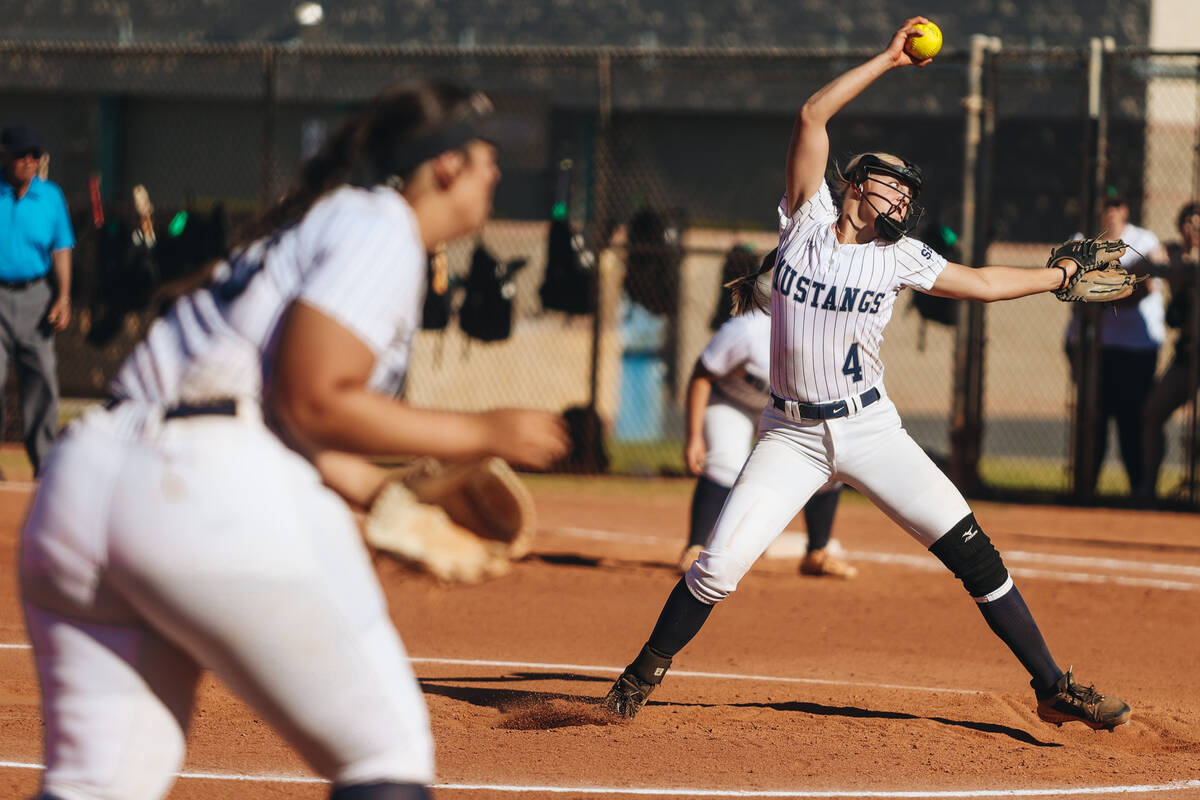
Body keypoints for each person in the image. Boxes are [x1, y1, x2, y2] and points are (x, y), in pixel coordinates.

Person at [19, 81, 569, 800]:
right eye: (485, 156)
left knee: (100, 782)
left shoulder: (330, 221)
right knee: (388, 752)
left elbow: (285, 410)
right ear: (444, 167)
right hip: (197, 485)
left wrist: (385, 492)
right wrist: (484, 431)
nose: (496, 172)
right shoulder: (383, 228)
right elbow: (313, 398)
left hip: (84, 481)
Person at [599, 18, 1131, 733]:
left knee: (972, 551)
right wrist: (887, 58)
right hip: (789, 435)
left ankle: (1052, 684)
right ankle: (635, 682)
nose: (903, 202)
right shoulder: (805, 221)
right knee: (716, 570)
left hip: (871, 429)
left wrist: (1058, 274)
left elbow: (979, 283)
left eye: (910, 197)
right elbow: (814, 115)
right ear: (853, 185)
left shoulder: (902, 255)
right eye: (892, 189)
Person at [678, 246, 854, 579]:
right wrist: (693, 438)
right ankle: (694, 547)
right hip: (730, 402)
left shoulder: (823, 331)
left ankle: (817, 552)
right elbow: (701, 375)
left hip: (781, 409)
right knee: (726, 462)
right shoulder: (748, 329)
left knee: (830, 459)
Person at [1064, 190, 1168, 494]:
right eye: (1103, 206)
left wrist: (1098, 290)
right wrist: (1116, 287)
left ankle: (1139, 490)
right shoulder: (1081, 238)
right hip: (1089, 347)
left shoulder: (1144, 240)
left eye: (1115, 206)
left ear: (1125, 209)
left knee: (1131, 420)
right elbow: (1073, 290)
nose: (1109, 212)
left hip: (1135, 348)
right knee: (1091, 418)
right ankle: (1085, 490)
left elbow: (1140, 291)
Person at [0, 124, 74, 476]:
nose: (28, 162)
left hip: (36, 298)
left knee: (42, 380)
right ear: (5, 155)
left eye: (35, 156)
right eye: (21, 155)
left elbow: (61, 248)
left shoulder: (51, 197)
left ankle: (45, 465)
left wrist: (63, 297)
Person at [1137, 202, 1200, 502]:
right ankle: (1148, 488)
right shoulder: (1174, 253)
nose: (1193, 231)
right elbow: (1149, 264)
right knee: (1152, 413)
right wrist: (1157, 261)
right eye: (1188, 224)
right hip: (1187, 356)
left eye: (1198, 225)